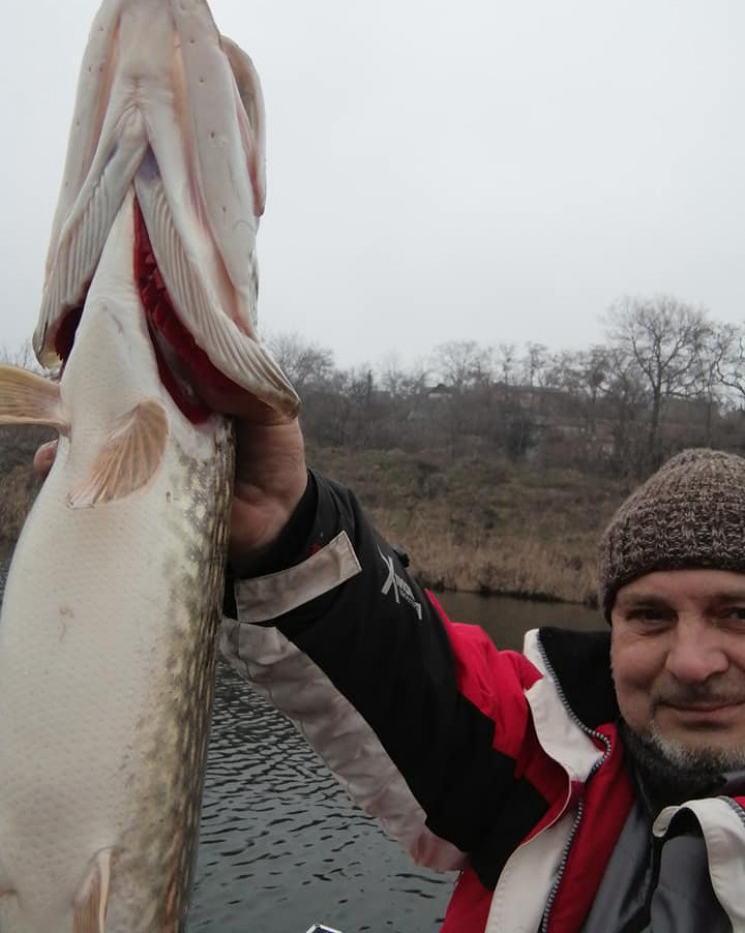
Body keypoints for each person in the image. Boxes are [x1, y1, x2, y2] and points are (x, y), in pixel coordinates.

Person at [34, 391, 745, 932]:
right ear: (612, 626)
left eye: (735, 613)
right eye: (648, 614)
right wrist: (285, 527)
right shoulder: (550, 756)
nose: (690, 660)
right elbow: (407, 667)